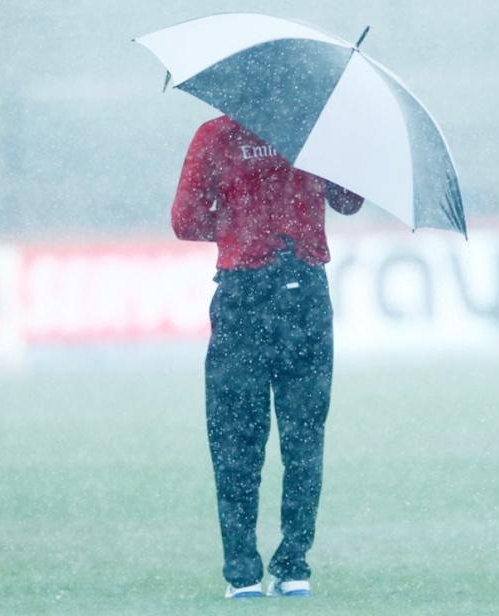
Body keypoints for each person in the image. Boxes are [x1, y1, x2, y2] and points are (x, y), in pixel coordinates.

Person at [171, 115, 363, 599]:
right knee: (303, 439)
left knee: (235, 441)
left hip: (243, 297)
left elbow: (185, 220)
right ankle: (294, 566)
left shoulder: (216, 134)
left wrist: (239, 224)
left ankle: (241, 573)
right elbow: (349, 201)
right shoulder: (319, 131)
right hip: (305, 295)